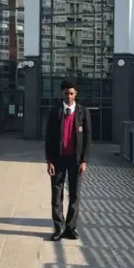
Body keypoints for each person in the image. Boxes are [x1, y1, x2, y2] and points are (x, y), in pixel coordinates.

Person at [44, 80, 92, 241]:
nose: (69, 96)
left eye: (71, 93)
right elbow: (49, 138)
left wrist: (84, 161)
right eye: (66, 93)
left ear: (76, 94)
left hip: (76, 161)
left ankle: (71, 228)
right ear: (62, 94)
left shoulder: (83, 112)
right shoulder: (54, 111)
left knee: (75, 195)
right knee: (56, 195)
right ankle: (59, 228)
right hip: (58, 160)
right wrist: (49, 161)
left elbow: (87, 139)